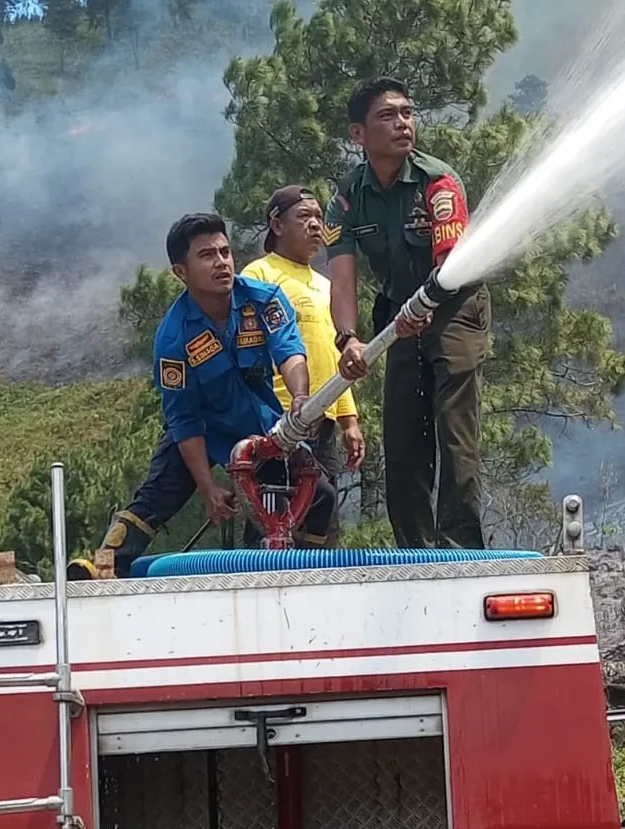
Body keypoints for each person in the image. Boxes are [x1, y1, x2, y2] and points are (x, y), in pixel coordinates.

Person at [72, 213, 337, 578]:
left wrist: (300, 397)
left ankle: (300, 575)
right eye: (207, 255)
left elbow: (289, 353)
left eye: (225, 252)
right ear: (180, 272)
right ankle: (102, 566)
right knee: (157, 493)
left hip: (260, 428)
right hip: (200, 432)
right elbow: (183, 418)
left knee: (319, 493)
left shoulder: (265, 301)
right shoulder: (172, 337)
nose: (222, 262)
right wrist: (208, 487)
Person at [326, 77, 489, 550]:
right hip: (399, 313)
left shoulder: (438, 182)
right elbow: (342, 273)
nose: (403, 123)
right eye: (387, 115)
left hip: (454, 306)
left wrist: (428, 304)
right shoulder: (348, 196)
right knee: (400, 437)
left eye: (408, 113)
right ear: (358, 135)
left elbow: (450, 263)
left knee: (453, 426)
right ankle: (414, 552)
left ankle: (460, 549)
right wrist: (348, 338)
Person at [242, 186, 366, 501]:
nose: (315, 225)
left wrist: (349, 421)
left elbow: (336, 355)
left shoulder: (326, 286)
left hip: (324, 422)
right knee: (275, 518)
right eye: (304, 216)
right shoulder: (258, 274)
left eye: (319, 217)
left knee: (323, 523)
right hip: (279, 419)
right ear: (277, 225)